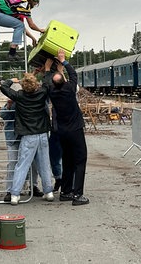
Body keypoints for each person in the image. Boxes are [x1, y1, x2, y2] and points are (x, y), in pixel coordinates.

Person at [0, 72, 54, 205]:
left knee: (22, 165)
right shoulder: (42, 94)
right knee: (44, 164)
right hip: (42, 134)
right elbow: (47, 84)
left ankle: (15, 194)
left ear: (23, 86)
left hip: (28, 135)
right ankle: (49, 191)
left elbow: (3, 88)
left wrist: (11, 80)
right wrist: (46, 70)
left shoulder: (19, 96)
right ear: (36, 85)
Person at [44, 50, 89, 206]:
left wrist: (47, 69)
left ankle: (66, 192)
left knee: (67, 161)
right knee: (80, 160)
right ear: (64, 81)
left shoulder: (52, 93)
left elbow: (48, 82)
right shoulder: (70, 89)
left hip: (62, 132)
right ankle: (78, 195)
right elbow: (74, 74)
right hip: (75, 130)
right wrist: (63, 61)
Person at [0, 0, 46, 82]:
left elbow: (21, 27)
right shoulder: (25, 4)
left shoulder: (17, 2)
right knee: (18, 25)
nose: (34, 6)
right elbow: (30, 25)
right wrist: (40, 30)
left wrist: (32, 38)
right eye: (35, 4)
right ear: (32, 0)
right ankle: (12, 52)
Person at [0, 91, 44, 202]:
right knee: (13, 163)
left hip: (28, 135)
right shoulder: (13, 101)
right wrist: (9, 105)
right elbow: (3, 115)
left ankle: (33, 186)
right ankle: (10, 191)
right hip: (14, 137)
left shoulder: (29, 99)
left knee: (33, 162)